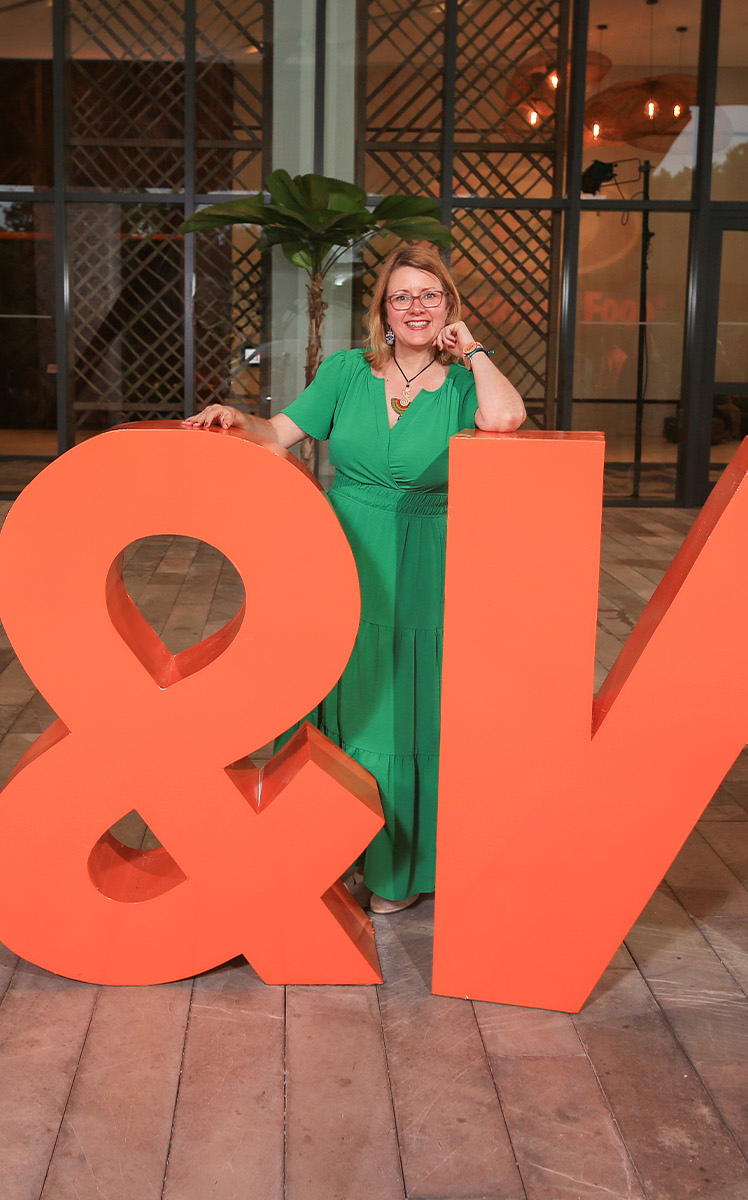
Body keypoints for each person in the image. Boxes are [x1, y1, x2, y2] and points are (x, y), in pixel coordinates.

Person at [183, 242, 525, 913]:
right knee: (339, 699)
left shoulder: (463, 385)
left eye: (430, 295)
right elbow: (278, 433)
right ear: (384, 313)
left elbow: (506, 420)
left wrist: (474, 349)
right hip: (343, 549)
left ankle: (394, 867)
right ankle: (328, 849)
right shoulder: (345, 373)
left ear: (449, 307)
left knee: (400, 712)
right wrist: (235, 417)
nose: (416, 307)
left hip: (426, 554)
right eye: (402, 296)